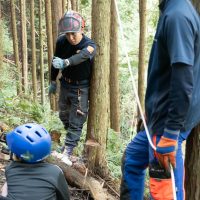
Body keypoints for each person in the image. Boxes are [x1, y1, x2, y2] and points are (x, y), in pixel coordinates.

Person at [120, 0, 200, 199]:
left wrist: (171, 132)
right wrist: (151, 111)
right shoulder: (172, 9)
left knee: (165, 190)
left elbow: (183, 77)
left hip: (167, 124)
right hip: (160, 117)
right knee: (131, 160)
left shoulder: (177, 16)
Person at [49, 10, 96, 165]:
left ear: (81, 29)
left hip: (80, 88)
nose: (71, 37)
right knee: (64, 115)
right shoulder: (61, 41)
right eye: (68, 34)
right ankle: (68, 145)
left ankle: (68, 151)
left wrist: (66, 62)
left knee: (77, 119)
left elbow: (81, 56)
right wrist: (52, 80)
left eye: (73, 33)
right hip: (65, 84)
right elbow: (55, 61)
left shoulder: (89, 45)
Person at [0, 123, 70, 200]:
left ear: (15, 155)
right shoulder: (56, 172)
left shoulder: (10, 168)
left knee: (6, 185)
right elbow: (65, 197)